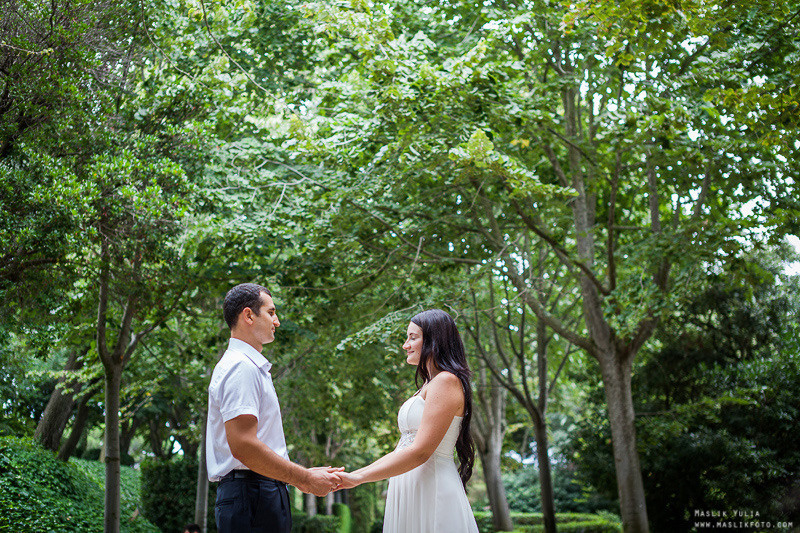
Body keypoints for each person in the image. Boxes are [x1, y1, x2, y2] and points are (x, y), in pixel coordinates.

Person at [206, 283, 342, 533]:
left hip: (257, 492)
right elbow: (244, 445)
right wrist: (305, 479)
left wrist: (302, 474)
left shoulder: (248, 366)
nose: (277, 321)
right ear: (248, 315)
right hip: (252, 494)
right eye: (271, 312)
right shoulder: (241, 367)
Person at [337, 309, 479, 532]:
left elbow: (421, 452)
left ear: (434, 340)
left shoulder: (446, 381)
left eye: (413, 337)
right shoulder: (429, 385)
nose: (405, 345)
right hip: (412, 486)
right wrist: (355, 475)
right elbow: (402, 450)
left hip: (433, 489)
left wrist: (359, 478)